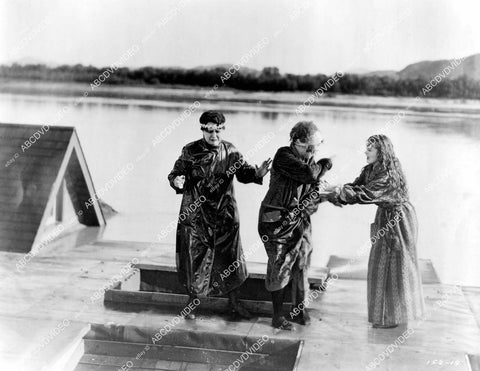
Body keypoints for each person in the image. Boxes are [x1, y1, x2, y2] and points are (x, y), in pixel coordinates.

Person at [168, 110, 271, 320]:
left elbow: (244, 173)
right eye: (209, 131)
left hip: (225, 215)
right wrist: (176, 181)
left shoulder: (231, 151)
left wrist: (257, 173)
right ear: (202, 130)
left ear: (223, 129)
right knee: (195, 258)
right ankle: (192, 304)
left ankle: (234, 303)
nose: (213, 135)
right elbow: (175, 173)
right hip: (196, 216)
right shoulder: (190, 151)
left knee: (230, 259)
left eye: (218, 130)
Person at [331, 134, 425, 328]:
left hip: (398, 220)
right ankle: (385, 316)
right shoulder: (372, 169)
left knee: (395, 265)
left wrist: (339, 191)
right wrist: (337, 192)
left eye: (370, 149)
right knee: (381, 264)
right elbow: (357, 187)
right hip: (386, 216)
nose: (366, 151)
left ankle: (393, 318)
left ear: (381, 152)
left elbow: (365, 194)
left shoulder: (388, 175)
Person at [258, 121, 333, 330]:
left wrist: (320, 190)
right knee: (280, 265)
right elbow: (309, 174)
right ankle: (277, 316)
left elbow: (312, 186)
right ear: (300, 141)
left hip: (300, 220)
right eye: (314, 145)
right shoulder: (284, 155)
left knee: (302, 262)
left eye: (318, 146)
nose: (316, 150)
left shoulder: (309, 160)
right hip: (276, 221)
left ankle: (299, 309)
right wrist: (325, 164)